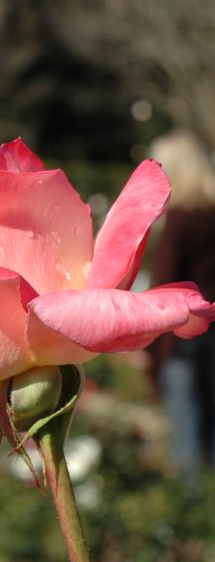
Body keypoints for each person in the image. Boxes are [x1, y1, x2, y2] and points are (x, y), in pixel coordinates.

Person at [147, 130, 215, 477]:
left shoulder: (180, 218)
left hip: (184, 333)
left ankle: (190, 510)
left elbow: (164, 283)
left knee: (186, 420)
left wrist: (150, 352)